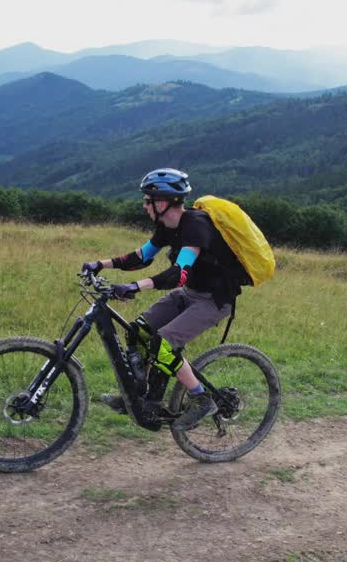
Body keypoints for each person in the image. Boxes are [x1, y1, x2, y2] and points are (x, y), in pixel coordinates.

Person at [81, 168, 246, 431]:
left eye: (148, 200)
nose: (144, 205)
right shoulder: (167, 226)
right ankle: (144, 399)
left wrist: (136, 286)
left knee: (163, 346)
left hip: (213, 299)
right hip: (190, 293)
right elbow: (141, 257)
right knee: (138, 332)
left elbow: (179, 274)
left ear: (163, 202)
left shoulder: (195, 225)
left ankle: (201, 399)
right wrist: (100, 264)